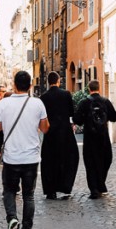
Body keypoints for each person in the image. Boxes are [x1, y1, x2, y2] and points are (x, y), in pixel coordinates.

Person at [0, 70, 49, 229]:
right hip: (31, 157)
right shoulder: (37, 103)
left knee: (9, 191)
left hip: (11, 158)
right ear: (30, 86)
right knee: (28, 195)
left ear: (14, 85)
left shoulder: (3, 104)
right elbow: (45, 128)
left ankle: (12, 219)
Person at [74, 79, 116, 199]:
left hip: (89, 137)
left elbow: (77, 119)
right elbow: (115, 117)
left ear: (89, 89)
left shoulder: (84, 102)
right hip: (103, 137)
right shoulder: (105, 102)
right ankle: (100, 184)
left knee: (90, 162)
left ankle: (94, 189)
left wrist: (85, 119)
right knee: (105, 160)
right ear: (99, 88)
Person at [39, 71, 79, 200]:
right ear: (58, 81)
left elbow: (42, 116)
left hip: (50, 133)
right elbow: (71, 112)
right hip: (65, 132)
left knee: (49, 161)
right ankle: (65, 187)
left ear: (48, 82)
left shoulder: (43, 97)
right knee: (68, 159)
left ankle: (51, 190)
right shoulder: (66, 94)